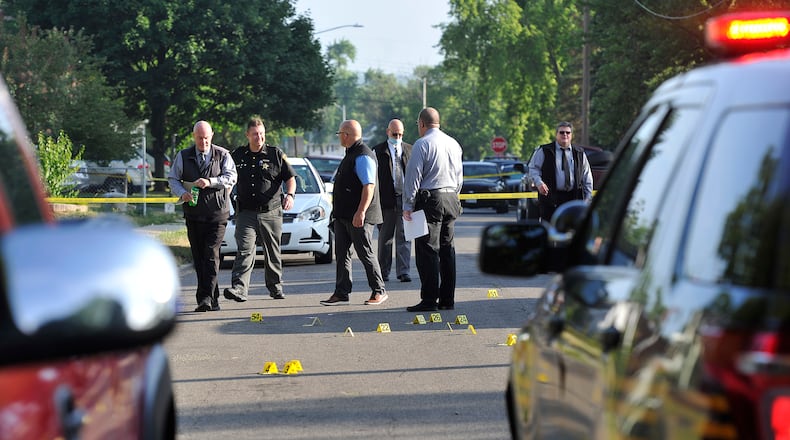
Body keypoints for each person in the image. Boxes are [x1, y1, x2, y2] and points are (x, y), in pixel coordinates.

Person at [223, 117, 296, 303]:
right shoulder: (237, 155)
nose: (259, 138)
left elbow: (290, 178)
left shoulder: (275, 154)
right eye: (255, 134)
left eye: (262, 134)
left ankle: (275, 287)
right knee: (245, 250)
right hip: (246, 212)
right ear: (247, 135)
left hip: (271, 212)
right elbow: (230, 180)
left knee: (272, 251)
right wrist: (225, 199)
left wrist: (290, 195)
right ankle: (239, 288)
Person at [168, 120, 237, 312]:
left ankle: (204, 298)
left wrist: (210, 181)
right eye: (200, 138)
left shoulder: (222, 154)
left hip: (217, 214)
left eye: (206, 138)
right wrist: (182, 193)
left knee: (210, 255)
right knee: (199, 258)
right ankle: (212, 299)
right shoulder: (183, 156)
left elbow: (231, 176)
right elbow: (173, 178)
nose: (203, 142)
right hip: (193, 214)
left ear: (211, 136)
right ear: (194, 137)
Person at [320, 119, 388, 306]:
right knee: (342, 254)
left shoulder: (363, 155)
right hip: (343, 216)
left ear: (346, 135)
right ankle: (342, 292)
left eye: (340, 133)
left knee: (365, 252)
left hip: (359, 216)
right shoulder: (350, 153)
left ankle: (379, 290)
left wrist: (361, 211)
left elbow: (369, 186)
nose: (339, 136)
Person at [402, 107, 463, 312]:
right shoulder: (453, 143)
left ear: (421, 124)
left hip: (431, 199)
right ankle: (447, 300)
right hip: (451, 197)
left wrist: (408, 205)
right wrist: (455, 196)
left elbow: (413, 177)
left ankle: (429, 299)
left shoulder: (422, 144)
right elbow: (459, 176)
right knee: (447, 251)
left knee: (428, 250)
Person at [527, 122, 593, 222]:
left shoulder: (579, 153)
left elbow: (587, 177)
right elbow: (533, 169)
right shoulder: (544, 150)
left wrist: (587, 199)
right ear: (556, 134)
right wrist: (539, 183)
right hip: (550, 199)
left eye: (568, 132)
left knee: (571, 231)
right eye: (562, 132)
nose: (565, 135)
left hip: (573, 199)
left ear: (571, 135)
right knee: (550, 229)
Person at [372, 118, 412, 283]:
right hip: (386, 200)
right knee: (385, 237)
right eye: (394, 133)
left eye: (400, 134)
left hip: (405, 199)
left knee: (404, 236)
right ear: (388, 132)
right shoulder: (378, 151)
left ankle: (404, 271)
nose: (397, 137)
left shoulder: (410, 150)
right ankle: (383, 271)